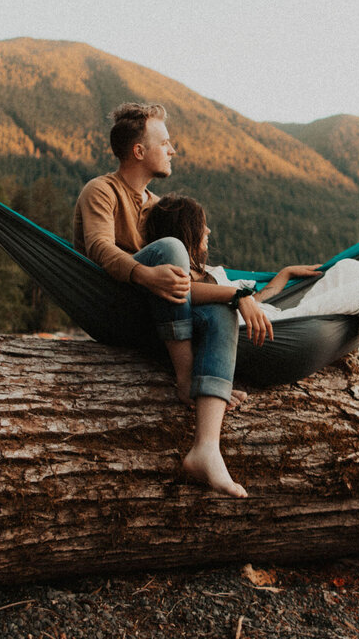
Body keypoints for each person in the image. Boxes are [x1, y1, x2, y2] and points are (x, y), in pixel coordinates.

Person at [73, 103, 272, 498]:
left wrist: (239, 295)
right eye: (164, 142)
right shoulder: (101, 190)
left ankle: (206, 448)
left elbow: (186, 281)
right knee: (170, 248)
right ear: (138, 151)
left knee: (220, 315)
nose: (172, 149)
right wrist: (146, 273)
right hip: (111, 303)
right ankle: (185, 379)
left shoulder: (155, 205)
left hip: (156, 315)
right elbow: (97, 247)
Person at [142, 194, 359, 450]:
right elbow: (191, 295)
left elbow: (253, 301)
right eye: (199, 224)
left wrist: (282, 275)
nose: (207, 229)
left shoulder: (213, 272)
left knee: (349, 268)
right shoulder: (170, 284)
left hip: (280, 318)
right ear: (185, 231)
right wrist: (236, 295)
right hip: (276, 334)